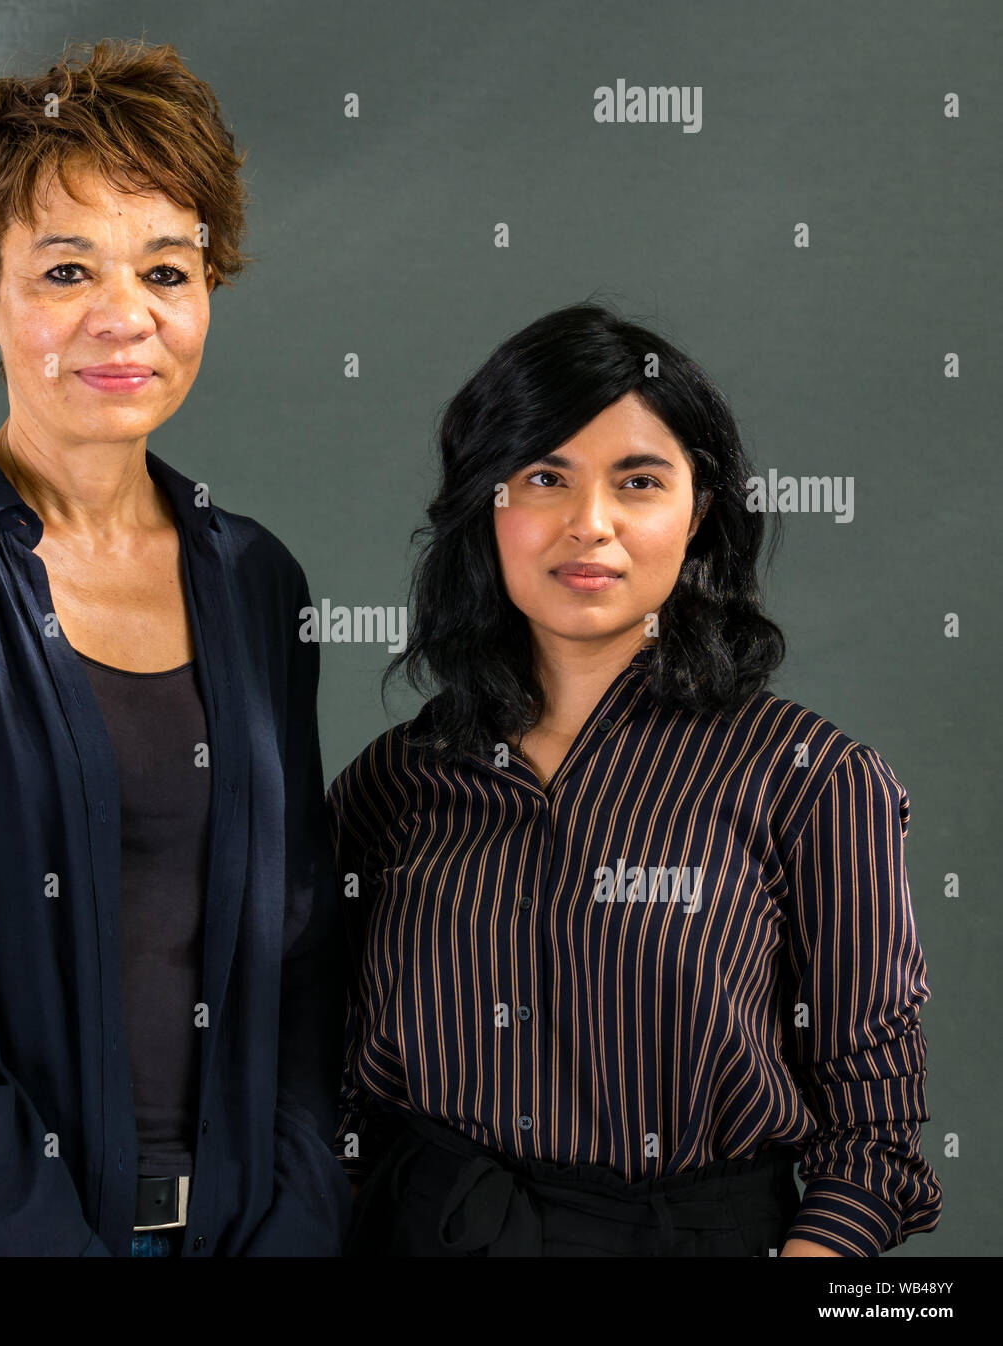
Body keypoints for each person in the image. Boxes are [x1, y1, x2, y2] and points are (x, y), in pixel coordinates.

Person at [0, 38, 349, 1258]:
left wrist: (298, 1219)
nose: (124, 316)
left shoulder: (255, 579)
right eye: (64, 269)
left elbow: (299, 953)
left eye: (165, 268)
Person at [327, 302, 942, 1257]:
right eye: (544, 477)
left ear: (698, 516)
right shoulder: (398, 780)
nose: (590, 524)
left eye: (639, 480)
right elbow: (329, 1089)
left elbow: (875, 1154)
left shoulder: (815, 783)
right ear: (486, 507)